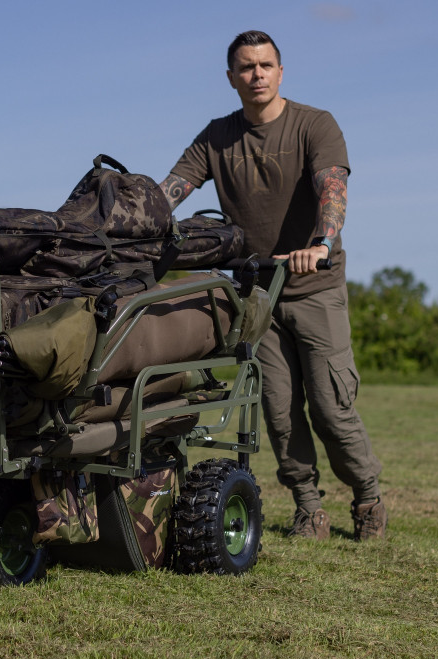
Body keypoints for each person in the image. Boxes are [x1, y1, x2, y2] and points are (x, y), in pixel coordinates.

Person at [159, 30, 386, 540]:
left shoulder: (314, 124)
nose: (256, 74)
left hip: (315, 288)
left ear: (281, 72)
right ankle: (309, 508)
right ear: (231, 78)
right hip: (258, 294)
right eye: (246, 67)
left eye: (265, 65)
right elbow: (170, 191)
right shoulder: (217, 137)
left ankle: (368, 497)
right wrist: (132, 222)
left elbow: (332, 187)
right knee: (279, 413)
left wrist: (322, 242)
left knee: (331, 408)